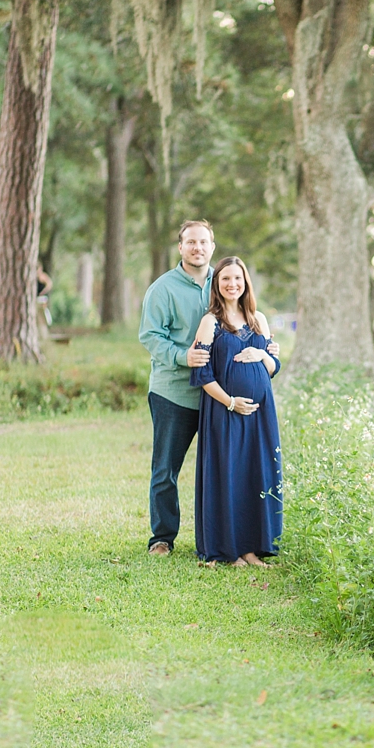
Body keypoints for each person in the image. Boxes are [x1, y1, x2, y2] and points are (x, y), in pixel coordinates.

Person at [138, 221, 277, 557]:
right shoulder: (163, 289)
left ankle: (232, 537)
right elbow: (150, 337)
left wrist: (265, 352)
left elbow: (248, 323)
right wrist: (182, 356)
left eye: (203, 242)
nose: (197, 248)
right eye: (190, 242)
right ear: (181, 247)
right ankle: (163, 537)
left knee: (225, 469)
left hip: (219, 401)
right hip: (175, 393)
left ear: (212, 246)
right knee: (166, 469)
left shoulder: (225, 279)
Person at [190, 256, 283, 567]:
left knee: (256, 475)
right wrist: (231, 401)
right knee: (229, 474)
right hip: (224, 412)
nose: (232, 284)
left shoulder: (259, 319)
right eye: (225, 278)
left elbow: (272, 367)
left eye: (237, 278)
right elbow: (202, 375)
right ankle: (228, 550)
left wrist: (260, 354)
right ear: (217, 284)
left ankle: (252, 549)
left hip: (261, 415)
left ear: (246, 282)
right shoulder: (210, 322)